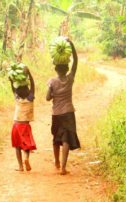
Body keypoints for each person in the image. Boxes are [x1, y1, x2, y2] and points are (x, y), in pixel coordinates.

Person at [46, 39, 81, 175]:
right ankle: (63, 168)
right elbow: (76, 62)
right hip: (68, 113)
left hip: (56, 114)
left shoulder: (52, 82)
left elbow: (48, 98)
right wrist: (72, 45)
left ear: (55, 68)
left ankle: (56, 161)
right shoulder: (70, 78)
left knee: (56, 138)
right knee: (66, 139)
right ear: (67, 69)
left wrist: (53, 91)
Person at [9, 67, 37, 172]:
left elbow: (13, 89)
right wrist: (29, 73)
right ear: (27, 89)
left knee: (17, 146)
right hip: (25, 125)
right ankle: (26, 158)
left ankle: (20, 166)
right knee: (26, 145)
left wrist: (12, 81)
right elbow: (33, 85)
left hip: (16, 125)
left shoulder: (17, 98)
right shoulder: (30, 98)